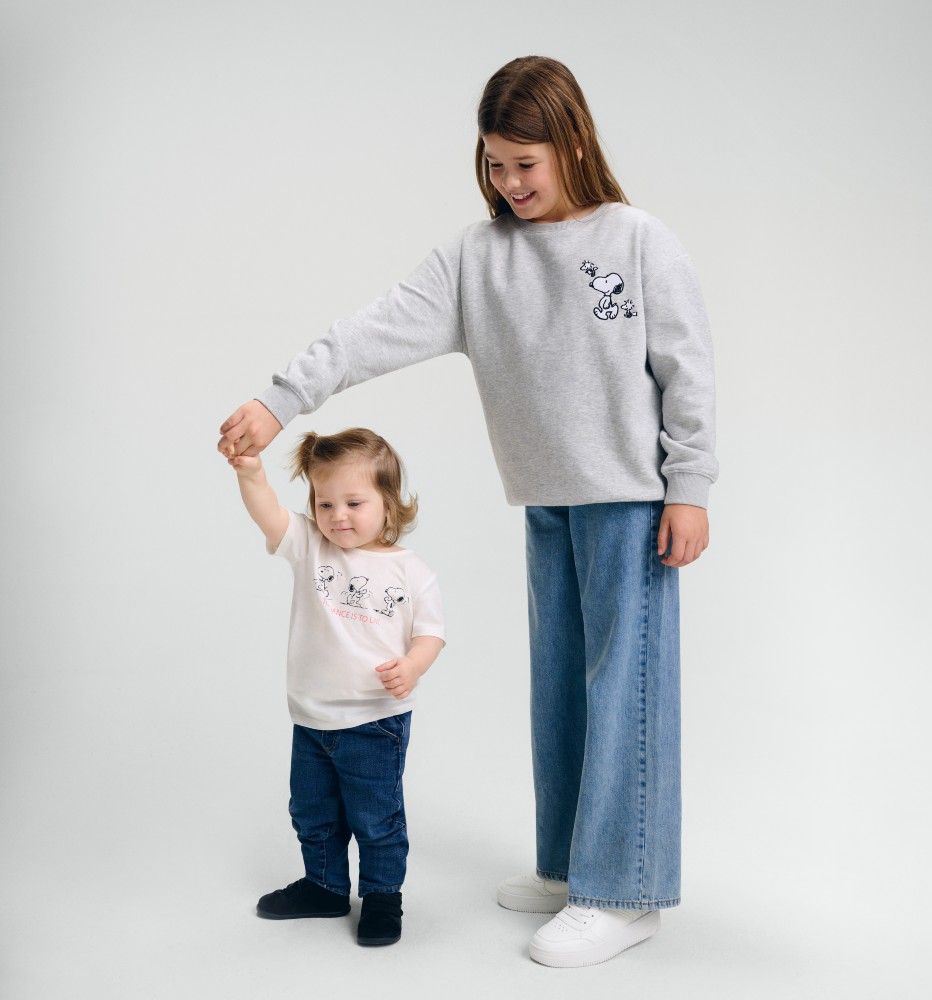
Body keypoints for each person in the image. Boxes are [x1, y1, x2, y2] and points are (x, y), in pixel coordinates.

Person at [218, 55, 717, 967]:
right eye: (494, 163)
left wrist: (690, 486)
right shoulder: (476, 259)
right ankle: (572, 868)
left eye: (525, 163)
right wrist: (282, 399)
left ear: (572, 143)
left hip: (631, 503)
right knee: (561, 685)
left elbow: (686, 369)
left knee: (625, 692)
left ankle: (626, 890)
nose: (510, 182)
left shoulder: (638, 240)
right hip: (547, 502)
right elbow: (370, 329)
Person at [227, 427, 445, 948]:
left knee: (376, 817)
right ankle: (324, 886)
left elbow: (431, 633)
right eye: (325, 503)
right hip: (310, 718)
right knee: (313, 812)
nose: (337, 515)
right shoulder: (310, 546)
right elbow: (270, 515)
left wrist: (413, 666)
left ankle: (382, 896)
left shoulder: (411, 571)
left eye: (353, 502)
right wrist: (251, 473)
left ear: (388, 504)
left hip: (374, 722)